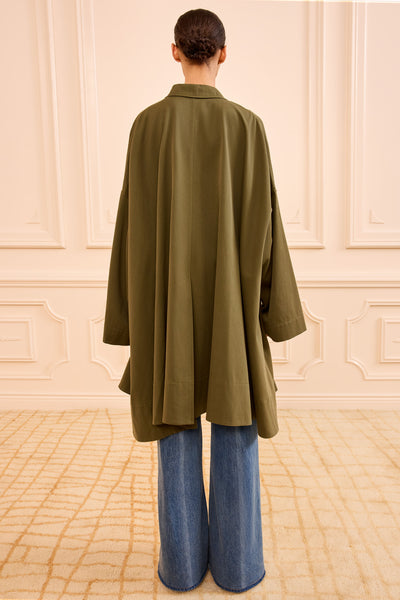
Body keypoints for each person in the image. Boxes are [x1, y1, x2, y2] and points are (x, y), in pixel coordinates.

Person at [103, 7, 307, 594]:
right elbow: (267, 228)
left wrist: (129, 315)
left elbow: (131, 228)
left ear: (175, 51)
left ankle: (182, 568)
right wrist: (274, 310)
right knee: (236, 421)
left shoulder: (147, 126)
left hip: (168, 308)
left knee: (175, 423)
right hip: (231, 309)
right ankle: (239, 569)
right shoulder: (247, 126)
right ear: (222, 53)